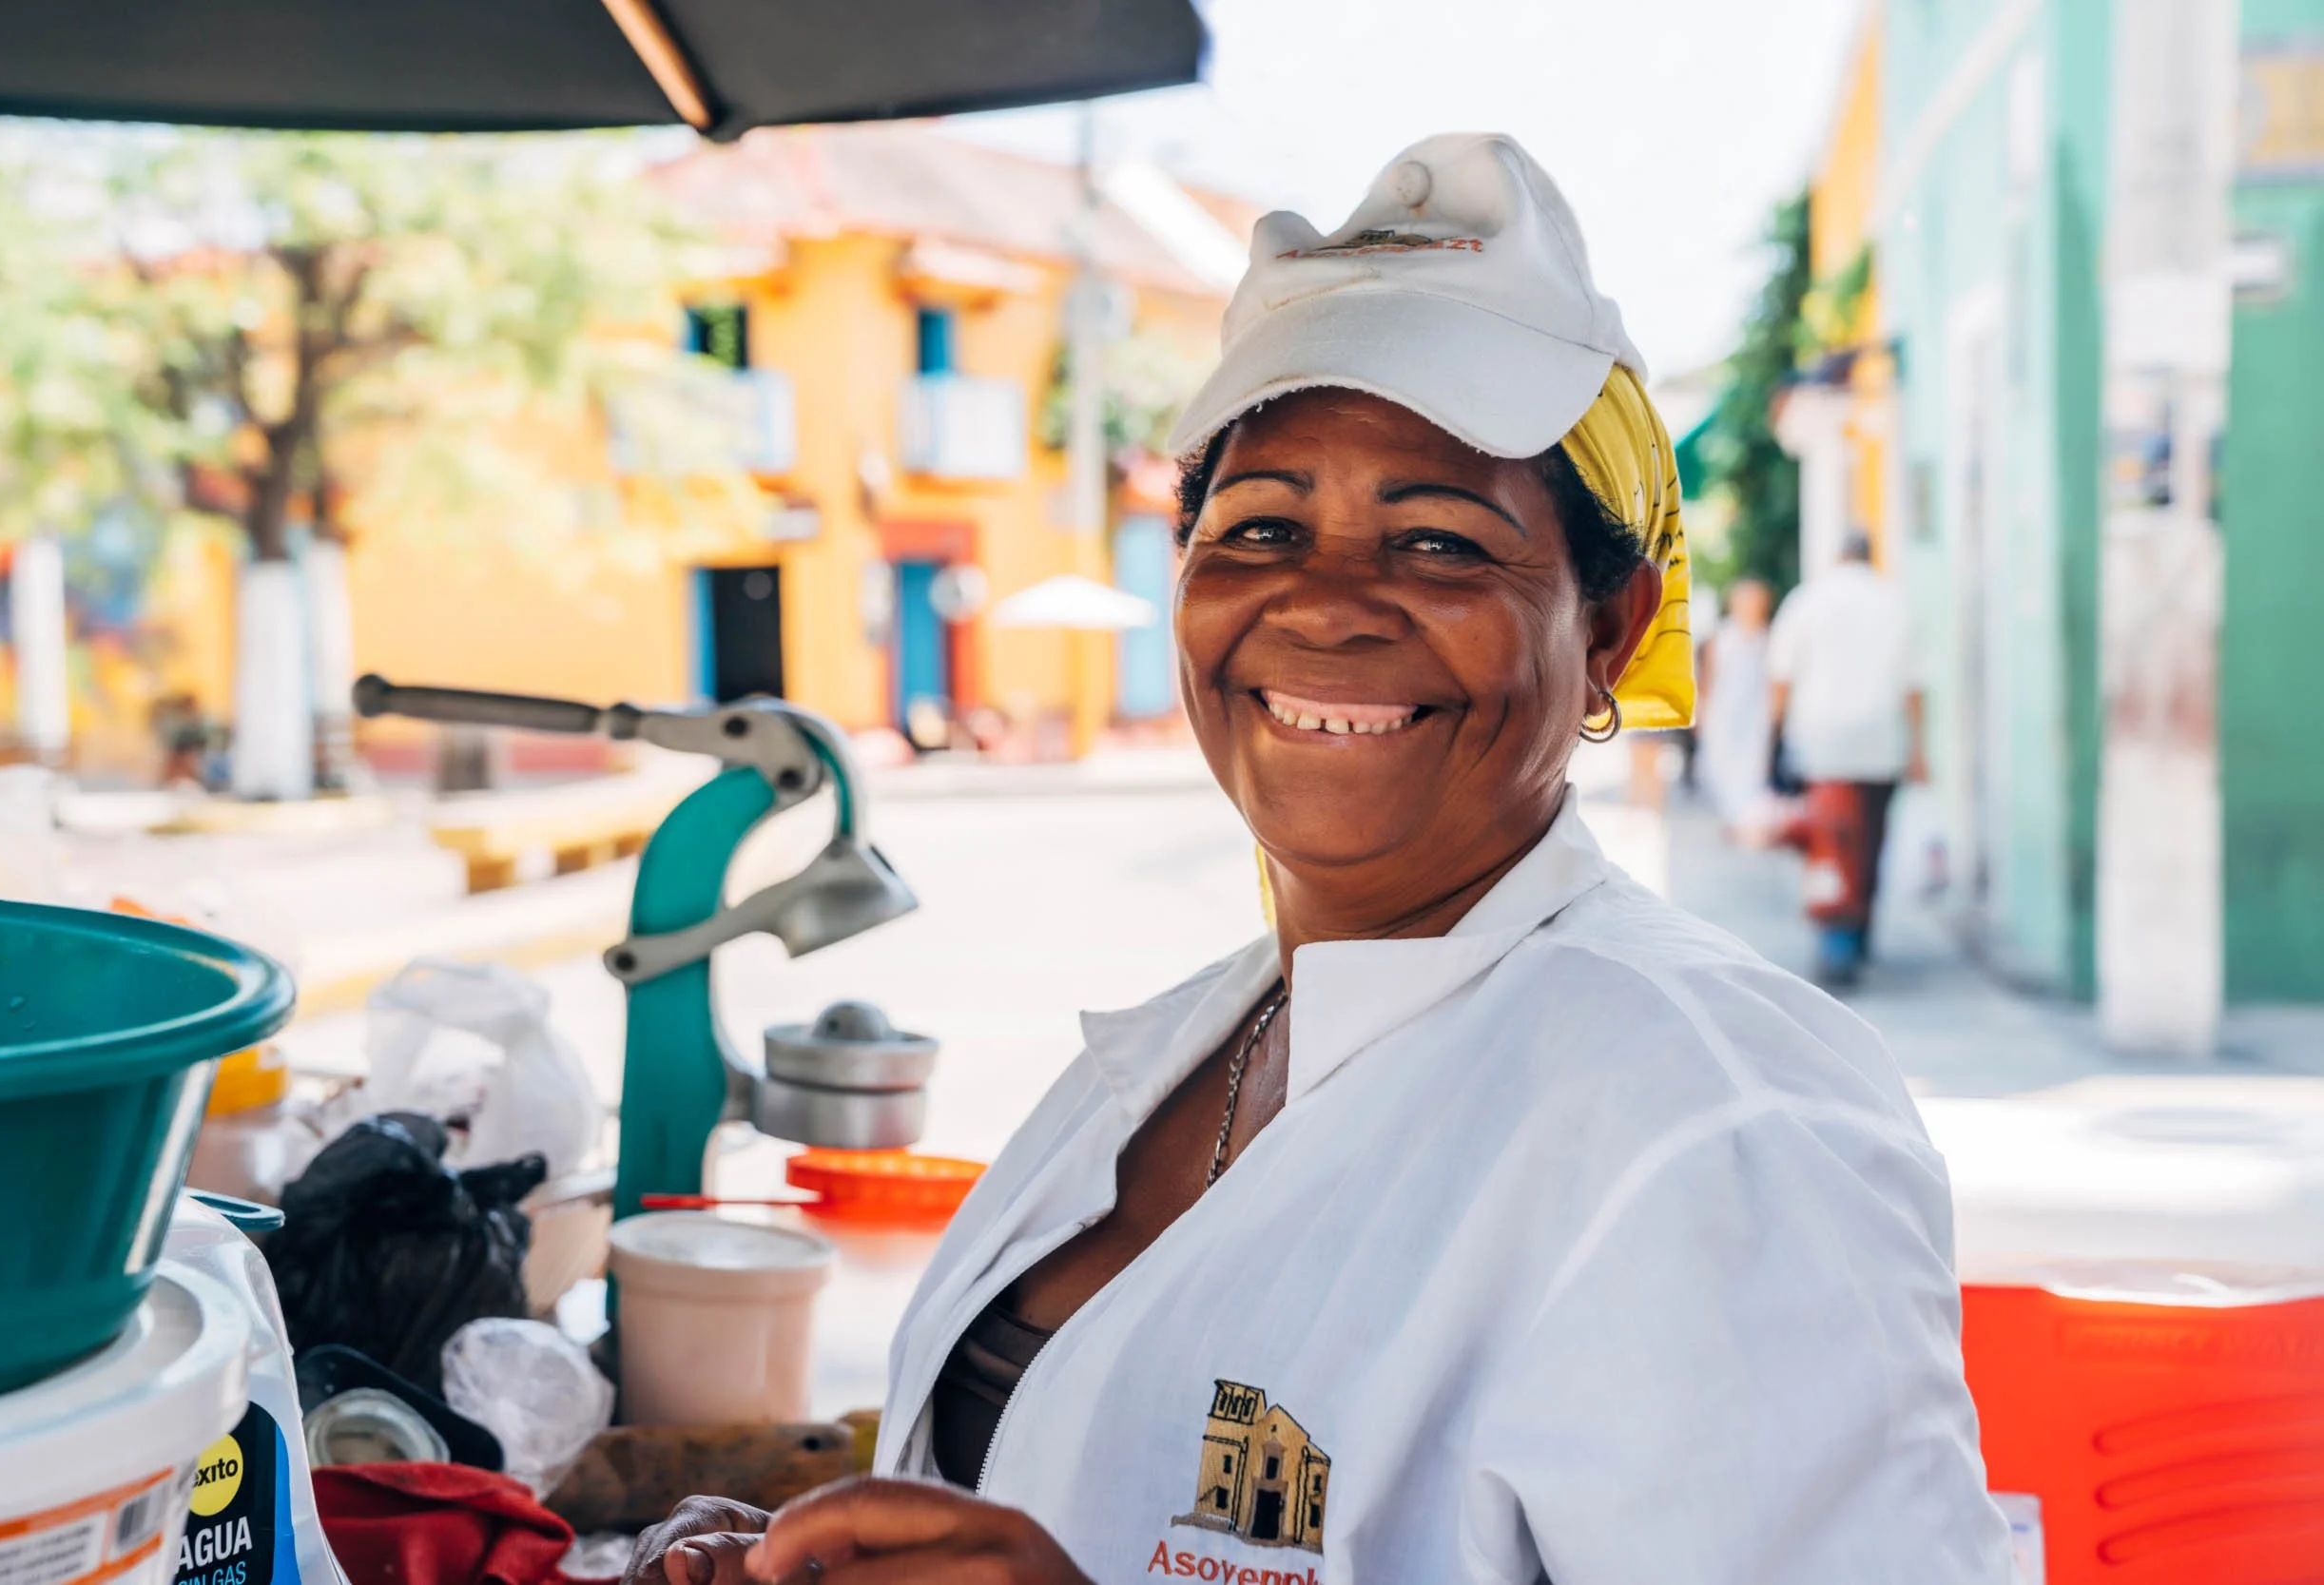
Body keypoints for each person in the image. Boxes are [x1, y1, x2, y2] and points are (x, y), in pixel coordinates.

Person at [626, 135, 2008, 1585]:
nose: (1327, 602)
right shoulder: (1178, 1051)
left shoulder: (1720, 1120)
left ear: (1606, 627)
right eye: (1262, 527)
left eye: (1442, 544)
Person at [1767, 532, 1927, 977]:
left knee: (1829, 840)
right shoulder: (1894, 602)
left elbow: (1780, 678)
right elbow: (1913, 688)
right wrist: (1919, 751)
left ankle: (1835, 930)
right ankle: (1857, 930)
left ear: (1837, 557)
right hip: (1880, 744)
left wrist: (1774, 738)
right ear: (1871, 557)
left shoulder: (1806, 602)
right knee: (1871, 840)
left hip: (1821, 745)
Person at [1695, 577, 1777, 835]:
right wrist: (1702, 711)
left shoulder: (1768, 638)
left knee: (1752, 768)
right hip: (1723, 712)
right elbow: (1708, 677)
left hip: (1755, 716)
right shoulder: (1721, 636)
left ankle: (1743, 822)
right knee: (1720, 766)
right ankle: (1733, 819)